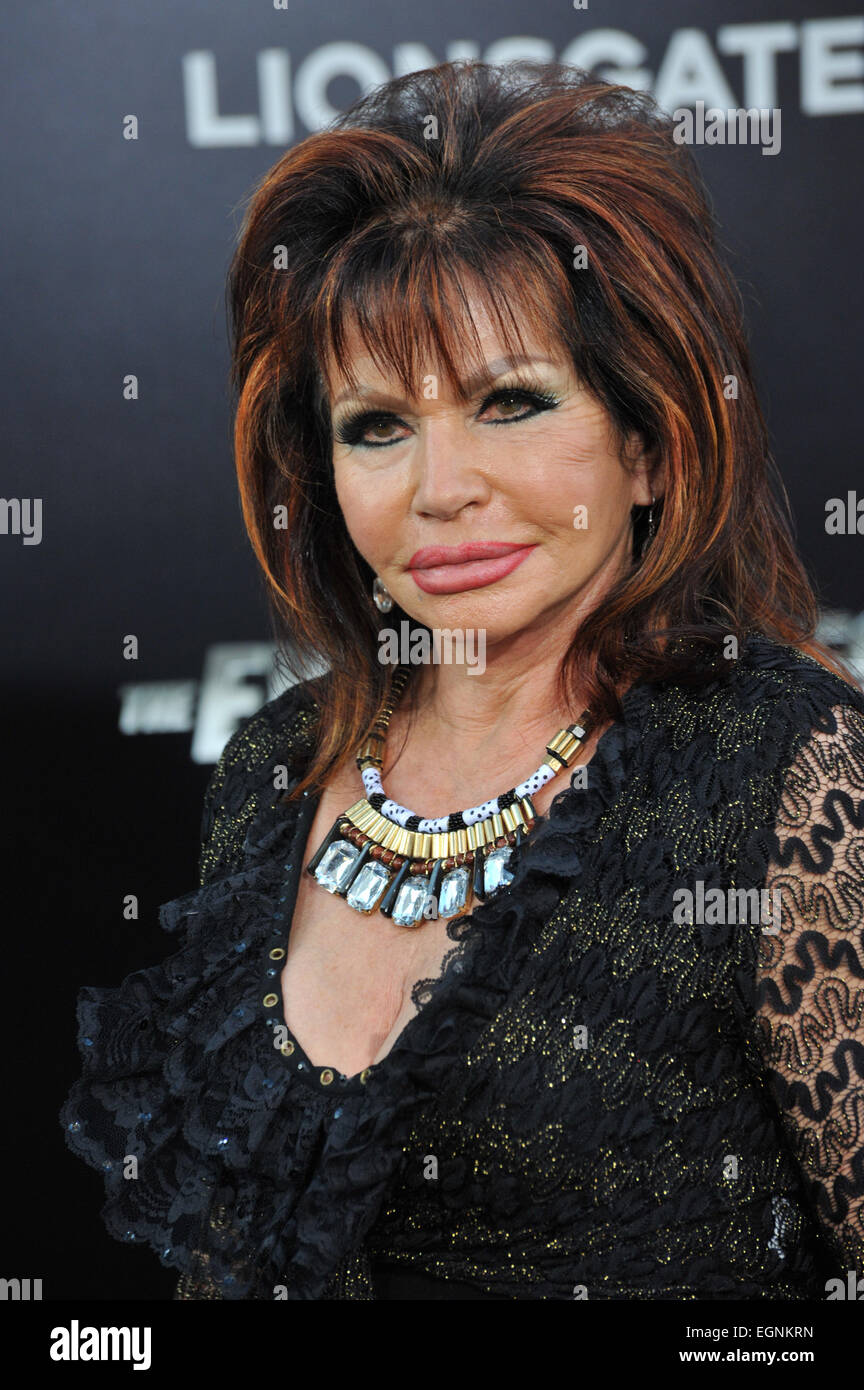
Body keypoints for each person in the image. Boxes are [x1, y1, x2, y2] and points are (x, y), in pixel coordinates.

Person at [61, 59, 864, 1300]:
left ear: (646, 446)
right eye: (377, 424)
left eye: (511, 403)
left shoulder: (779, 767)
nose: (441, 488)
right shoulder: (273, 772)